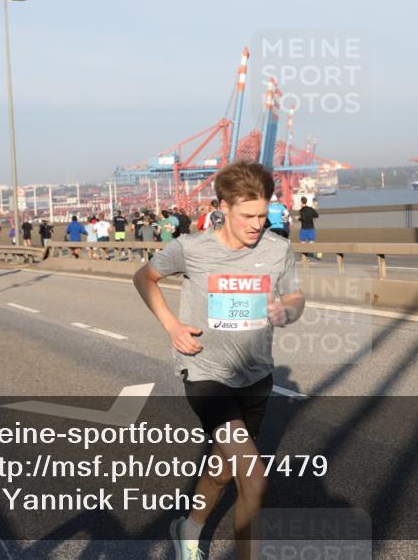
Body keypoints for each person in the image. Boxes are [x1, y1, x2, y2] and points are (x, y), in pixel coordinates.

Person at [133, 161, 304, 560]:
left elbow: (294, 296)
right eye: (247, 216)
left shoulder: (278, 249)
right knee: (254, 479)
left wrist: (288, 311)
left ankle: (188, 529)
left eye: (263, 215)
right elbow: (144, 278)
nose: (257, 224)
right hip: (206, 374)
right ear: (223, 208)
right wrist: (172, 326)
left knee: (224, 468)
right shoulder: (191, 248)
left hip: (257, 377)